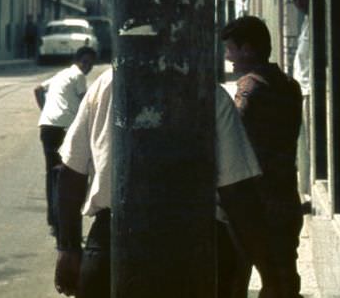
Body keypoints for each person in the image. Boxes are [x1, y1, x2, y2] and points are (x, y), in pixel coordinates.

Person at [54, 67, 284, 298]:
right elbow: (237, 192)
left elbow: (72, 171)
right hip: (192, 246)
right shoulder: (205, 89)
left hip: (115, 243)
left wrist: (68, 248)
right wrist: (270, 274)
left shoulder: (106, 83)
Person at [222, 15, 303, 297]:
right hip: (285, 202)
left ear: (247, 50)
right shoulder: (290, 86)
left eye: (230, 48)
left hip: (252, 206)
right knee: (283, 282)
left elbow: (231, 144)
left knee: (235, 281)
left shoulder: (249, 89)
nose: (228, 57)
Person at [35, 45, 97, 238]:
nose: (87, 67)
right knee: (66, 176)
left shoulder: (62, 74)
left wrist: (47, 111)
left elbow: (38, 89)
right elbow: (84, 104)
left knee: (51, 175)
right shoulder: (78, 76)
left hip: (47, 127)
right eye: (85, 62)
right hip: (63, 129)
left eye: (90, 64)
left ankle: (54, 221)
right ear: (77, 61)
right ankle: (63, 222)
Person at [292, 0, 310, 203]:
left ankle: (309, 192)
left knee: (309, 145)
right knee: (302, 145)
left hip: (309, 90)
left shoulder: (316, 22)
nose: (296, 3)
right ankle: (305, 190)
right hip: (301, 89)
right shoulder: (306, 22)